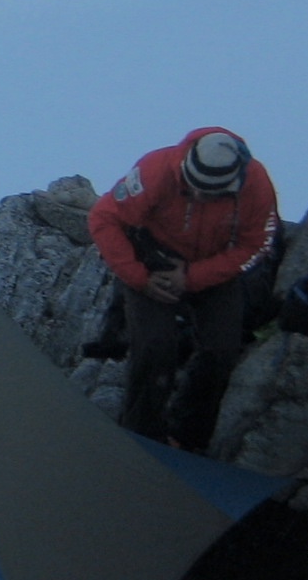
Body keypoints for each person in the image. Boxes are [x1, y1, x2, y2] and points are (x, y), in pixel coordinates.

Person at [87, 127, 278, 456]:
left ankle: (188, 436)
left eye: (209, 193)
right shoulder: (156, 170)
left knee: (221, 351)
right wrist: (139, 277)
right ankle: (140, 434)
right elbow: (104, 218)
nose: (199, 196)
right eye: (193, 188)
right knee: (154, 346)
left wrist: (192, 277)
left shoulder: (256, 184)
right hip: (153, 262)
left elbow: (257, 244)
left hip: (213, 266)